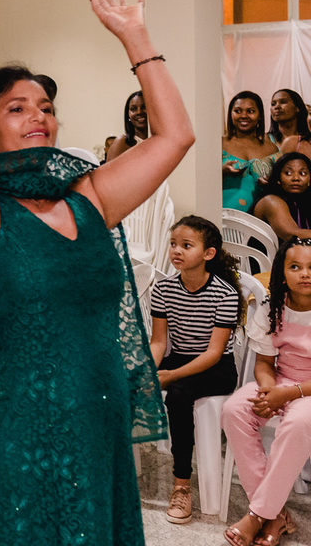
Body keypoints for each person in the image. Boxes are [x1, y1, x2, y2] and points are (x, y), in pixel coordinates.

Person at [0, 0, 192, 546]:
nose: (38, 116)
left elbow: (176, 136)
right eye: (16, 109)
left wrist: (135, 37)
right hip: (18, 424)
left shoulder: (90, 197)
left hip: (101, 416)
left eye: (45, 107)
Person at [148, 215, 243, 525]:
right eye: (174, 244)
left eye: (186, 245)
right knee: (122, 382)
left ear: (208, 254)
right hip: (181, 357)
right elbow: (159, 342)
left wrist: (171, 375)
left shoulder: (225, 294)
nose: (177, 250)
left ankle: (181, 485)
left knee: (177, 393)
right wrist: (148, 370)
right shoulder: (162, 289)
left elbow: (215, 353)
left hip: (216, 368)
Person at [221, 237, 311, 546]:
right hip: (281, 381)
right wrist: (270, 390)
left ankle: (258, 515)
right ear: (281, 271)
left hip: (308, 390)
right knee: (234, 410)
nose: (305, 273)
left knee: (298, 424)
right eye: (295, 266)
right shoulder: (274, 307)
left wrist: (287, 395)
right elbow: (263, 362)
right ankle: (276, 514)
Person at [223, 90, 279, 211]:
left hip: (260, 221)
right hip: (223, 217)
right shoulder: (218, 144)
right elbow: (199, 179)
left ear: (259, 116)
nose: (243, 115)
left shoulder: (272, 148)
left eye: (250, 111)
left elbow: (283, 184)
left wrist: (271, 183)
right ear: (230, 114)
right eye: (237, 111)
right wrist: (222, 172)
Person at [251, 152, 311, 242]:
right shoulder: (271, 201)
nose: (296, 178)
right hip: (264, 255)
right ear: (278, 178)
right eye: (288, 173)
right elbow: (293, 235)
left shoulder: (304, 199)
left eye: (302, 173)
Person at [105, 89, 148, 161]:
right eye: (133, 109)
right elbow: (108, 172)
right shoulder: (122, 142)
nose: (139, 112)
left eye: (144, 107)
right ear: (128, 115)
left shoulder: (161, 141)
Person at [269, 88, 311, 157]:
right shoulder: (265, 140)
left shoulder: (307, 140)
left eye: (283, 102)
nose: (276, 107)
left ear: (297, 108)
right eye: (273, 104)